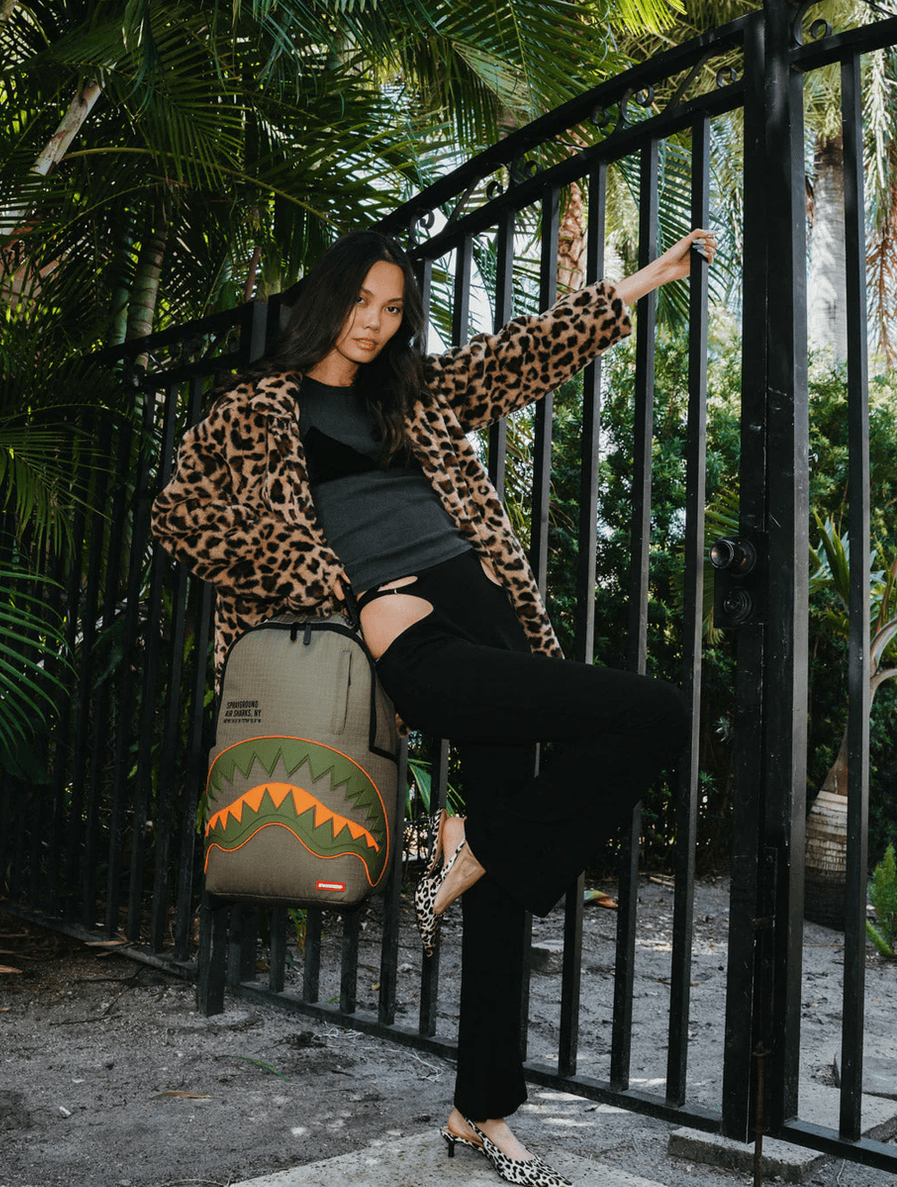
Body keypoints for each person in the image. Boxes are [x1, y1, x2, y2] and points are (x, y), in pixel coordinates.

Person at [152, 224, 716, 1187]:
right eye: (360, 302)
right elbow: (181, 518)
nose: (374, 323)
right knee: (653, 710)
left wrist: (640, 283)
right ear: (327, 299)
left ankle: (478, 1111)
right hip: (403, 624)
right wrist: (323, 579)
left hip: (486, 609)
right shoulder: (256, 407)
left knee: (501, 877)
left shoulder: (409, 390)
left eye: (392, 308)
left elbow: (515, 358)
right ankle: (479, 844)